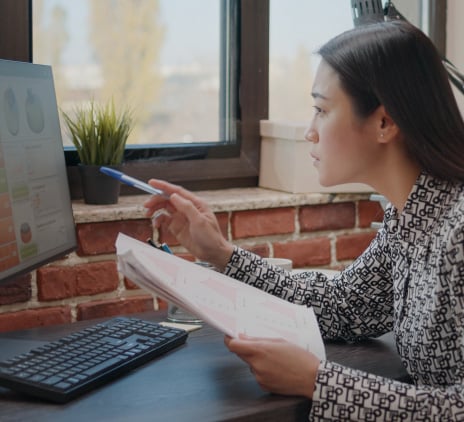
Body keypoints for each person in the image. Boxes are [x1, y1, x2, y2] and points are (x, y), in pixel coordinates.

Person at [143, 20, 464, 421]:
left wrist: (317, 382)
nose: (310, 132)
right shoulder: (409, 218)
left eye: (322, 110)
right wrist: (222, 254)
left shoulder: (458, 230)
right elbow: (345, 306)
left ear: (384, 123)